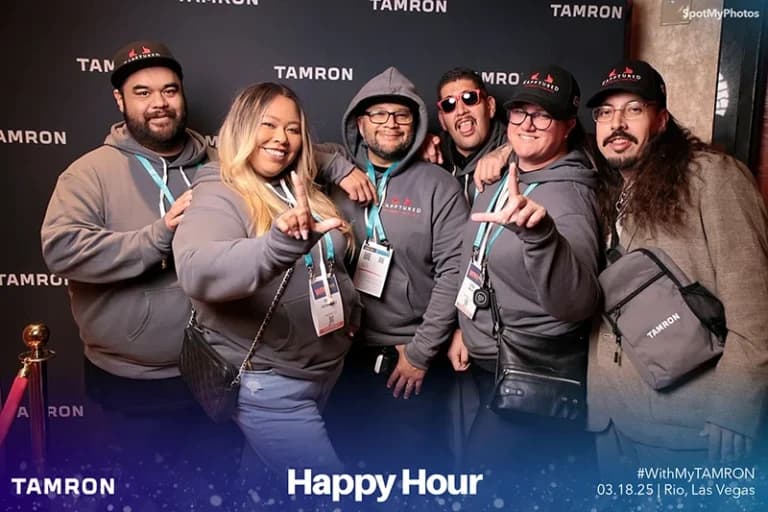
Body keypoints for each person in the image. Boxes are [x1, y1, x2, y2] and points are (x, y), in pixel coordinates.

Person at [40, 43, 241, 496]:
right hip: (135, 383)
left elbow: (286, 143)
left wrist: (340, 166)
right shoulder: (89, 173)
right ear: (120, 100)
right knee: (141, 496)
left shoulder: (220, 163)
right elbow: (62, 250)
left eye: (169, 90)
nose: (159, 103)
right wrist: (157, 235)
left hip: (218, 372)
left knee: (220, 494)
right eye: (142, 92)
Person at [586, 60, 768, 476]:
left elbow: (756, 305)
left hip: (690, 426)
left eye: (634, 109)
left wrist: (735, 410)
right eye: (605, 113)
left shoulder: (713, 177)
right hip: (613, 419)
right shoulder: (607, 187)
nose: (617, 124)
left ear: (662, 119)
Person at [173, 82, 362, 481]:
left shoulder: (297, 185)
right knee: (329, 492)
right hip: (271, 383)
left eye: (293, 129)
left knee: (263, 484)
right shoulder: (220, 191)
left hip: (321, 369)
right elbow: (195, 269)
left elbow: (325, 155)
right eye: (269, 125)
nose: (282, 138)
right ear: (242, 128)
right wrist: (277, 246)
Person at [448, 65, 601, 485]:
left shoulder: (570, 196)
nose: (528, 124)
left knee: (479, 486)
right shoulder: (508, 173)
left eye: (544, 115)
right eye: (521, 112)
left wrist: (542, 236)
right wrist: (465, 325)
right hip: (488, 357)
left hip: (530, 370)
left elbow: (578, 304)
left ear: (569, 126)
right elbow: (481, 260)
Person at [324, 67, 468, 471]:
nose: (391, 123)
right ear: (360, 123)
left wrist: (421, 354)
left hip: (404, 359)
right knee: (343, 474)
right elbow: (278, 147)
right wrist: (338, 168)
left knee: (405, 476)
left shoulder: (439, 185)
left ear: (416, 123)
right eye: (379, 114)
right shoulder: (334, 178)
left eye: (402, 115)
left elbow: (453, 274)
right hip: (337, 358)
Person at [428, 67, 509, 203]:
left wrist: (510, 151)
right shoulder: (431, 154)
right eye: (449, 104)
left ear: (490, 106)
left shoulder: (517, 153)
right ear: (442, 120)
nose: (461, 111)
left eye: (470, 98)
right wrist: (415, 147)